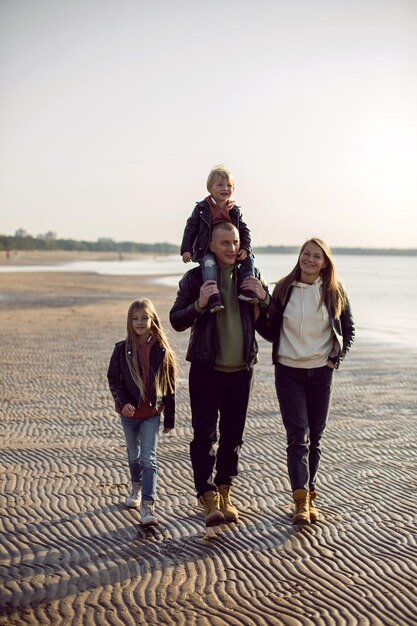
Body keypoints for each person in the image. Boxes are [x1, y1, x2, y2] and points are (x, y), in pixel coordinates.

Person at [170, 221, 271, 526]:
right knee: (204, 436)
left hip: (241, 371)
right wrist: (200, 304)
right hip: (206, 368)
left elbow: (272, 328)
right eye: (224, 243)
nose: (230, 248)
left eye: (235, 242)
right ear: (211, 247)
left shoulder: (250, 276)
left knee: (233, 437)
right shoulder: (196, 278)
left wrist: (264, 299)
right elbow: (176, 320)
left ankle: (225, 491)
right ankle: (207, 496)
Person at [257, 238, 355, 525]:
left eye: (317, 256)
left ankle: (311, 495)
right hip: (288, 371)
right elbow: (271, 330)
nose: (310, 260)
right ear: (299, 256)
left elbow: (348, 330)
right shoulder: (283, 288)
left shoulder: (335, 291)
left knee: (315, 438)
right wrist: (257, 310)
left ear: (325, 263)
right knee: (297, 437)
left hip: (320, 373)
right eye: (306, 254)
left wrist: (335, 360)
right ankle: (300, 503)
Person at [107, 298, 176, 527]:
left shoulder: (161, 349)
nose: (139, 322)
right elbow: (113, 379)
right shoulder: (121, 349)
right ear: (129, 321)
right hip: (129, 415)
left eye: (144, 317)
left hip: (152, 414)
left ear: (152, 319)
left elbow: (169, 384)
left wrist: (170, 417)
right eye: (135, 318)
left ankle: (148, 505)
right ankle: (136, 487)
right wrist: (123, 402)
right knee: (133, 456)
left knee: (149, 458)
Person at [180, 164, 258, 314]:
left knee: (249, 257)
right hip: (206, 249)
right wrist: (186, 249)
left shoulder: (234, 210)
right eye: (220, 185)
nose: (225, 188)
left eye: (229, 185)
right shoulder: (202, 208)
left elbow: (244, 230)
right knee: (209, 264)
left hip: (230, 249)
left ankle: (249, 290)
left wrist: (245, 248)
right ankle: (213, 296)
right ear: (210, 188)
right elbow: (190, 229)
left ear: (233, 190)